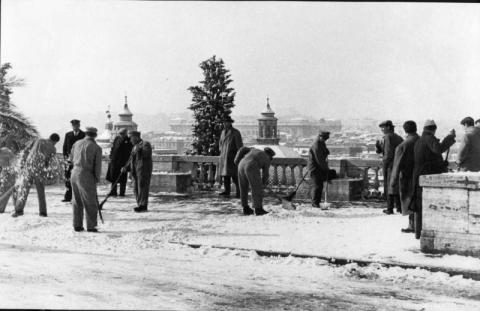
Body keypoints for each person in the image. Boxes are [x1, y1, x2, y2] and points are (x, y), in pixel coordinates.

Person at [413, 119, 456, 239]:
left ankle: (418, 233)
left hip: (419, 175)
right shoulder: (428, 138)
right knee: (424, 206)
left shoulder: (421, 140)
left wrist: (441, 164)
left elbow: (431, 157)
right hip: (426, 176)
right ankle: (421, 233)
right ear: (434, 129)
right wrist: (449, 137)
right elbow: (438, 149)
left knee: (420, 206)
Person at [11, 133, 60, 217]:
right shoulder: (53, 148)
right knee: (41, 191)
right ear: (55, 141)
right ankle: (43, 212)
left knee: (24, 190)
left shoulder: (38, 140)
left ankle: (19, 210)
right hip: (39, 170)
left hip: (28, 168)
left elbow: (26, 150)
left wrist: (23, 164)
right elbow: (49, 162)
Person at [70, 127, 102, 232]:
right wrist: (96, 178)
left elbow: (71, 159)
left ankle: (77, 225)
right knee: (90, 202)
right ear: (95, 135)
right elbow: (97, 166)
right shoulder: (96, 147)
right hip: (86, 174)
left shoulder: (77, 143)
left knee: (76, 200)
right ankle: (91, 226)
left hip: (74, 173)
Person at [389, 121, 420, 233]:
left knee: (408, 200)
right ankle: (416, 224)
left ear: (405, 130)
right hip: (420, 176)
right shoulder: (420, 141)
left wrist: (393, 182)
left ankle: (412, 225)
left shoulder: (403, 146)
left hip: (407, 177)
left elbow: (396, 165)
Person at [236, 147, 275, 216]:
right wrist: (262, 185)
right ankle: (258, 209)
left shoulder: (254, 149)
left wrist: (236, 160)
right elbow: (265, 174)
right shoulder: (266, 158)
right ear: (270, 155)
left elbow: (242, 149)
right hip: (251, 165)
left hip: (241, 164)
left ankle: (245, 208)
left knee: (243, 188)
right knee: (256, 188)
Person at [376, 120, 404, 214]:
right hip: (398, 164)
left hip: (390, 165)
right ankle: (399, 208)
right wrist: (380, 148)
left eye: (383, 127)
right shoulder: (398, 137)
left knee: (389, 186)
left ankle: (390, 208)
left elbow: (388, 155)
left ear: (388, 127)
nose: (382, 129)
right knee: (395, 186)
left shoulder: (387, 137)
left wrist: (384, 164)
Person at [121, 131, 152, 213]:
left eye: (131, 138)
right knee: (135, 188)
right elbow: (131, 159)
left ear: (136, 137)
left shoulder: (145, 144)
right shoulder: (134, 147)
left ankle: (143, 205)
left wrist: (140, 150)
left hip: (143, 170)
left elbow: (147, 154)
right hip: (134, 171)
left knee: (142, 187)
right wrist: (126, 167)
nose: (130, 140)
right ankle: (139, 204)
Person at [217, 115, 243, 198]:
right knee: (225, 176)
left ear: (230, 123)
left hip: (232, 158)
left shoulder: (235, 132)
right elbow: (220, 144)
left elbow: (239, 146)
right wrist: (222, 151)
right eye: (224, 122)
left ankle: (240, 192)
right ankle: (226, 191)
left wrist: (238, 157)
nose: (225, 124)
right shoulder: (223, 132)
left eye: (226, 122)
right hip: (224, 157)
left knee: (235, 176)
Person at [62, 119, 85, 202]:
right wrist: (65, 157)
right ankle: (68, 196)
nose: (75, 127)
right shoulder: (68, 135)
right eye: (73, 125)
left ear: (79, 126)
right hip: (69, 160)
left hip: (78, 160)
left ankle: (78, 197)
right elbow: (65, 147)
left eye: (76, 125)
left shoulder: (83, 135)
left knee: (78, 179)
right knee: (68, 177)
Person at [307, 131, 331, 208]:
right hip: (314, 168)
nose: (325, 140)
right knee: (316, 186)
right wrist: (326, 169)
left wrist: (326, 151)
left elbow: (324, 152)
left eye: (326, 139)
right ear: (320, 136)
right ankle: (315, 203)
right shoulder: (316, 145)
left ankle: (317, 202)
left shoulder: (321, 143)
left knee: (319, 186)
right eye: (324, 139)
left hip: (319, 168)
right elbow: (319, 160)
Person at [106, 128, 133, 196]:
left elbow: (129, 153)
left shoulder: (129, 140)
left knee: (123, 179)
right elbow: (113, 148)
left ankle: (122, 193)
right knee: (113, 178)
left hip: (123, 163)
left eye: (122, 134)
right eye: (120, 134)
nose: (121, 135)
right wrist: (111, 156)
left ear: (125, 133)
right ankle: (113, 192)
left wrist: (126, 164)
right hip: (114, 162)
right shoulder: (117, 138)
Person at [0, 147, 16, 213]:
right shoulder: (5, 151)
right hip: (5, 173)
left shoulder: (6, 151)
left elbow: (14, 160)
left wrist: (11, 168)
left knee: (8, 190)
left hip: (11, 173)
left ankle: (1, 208)